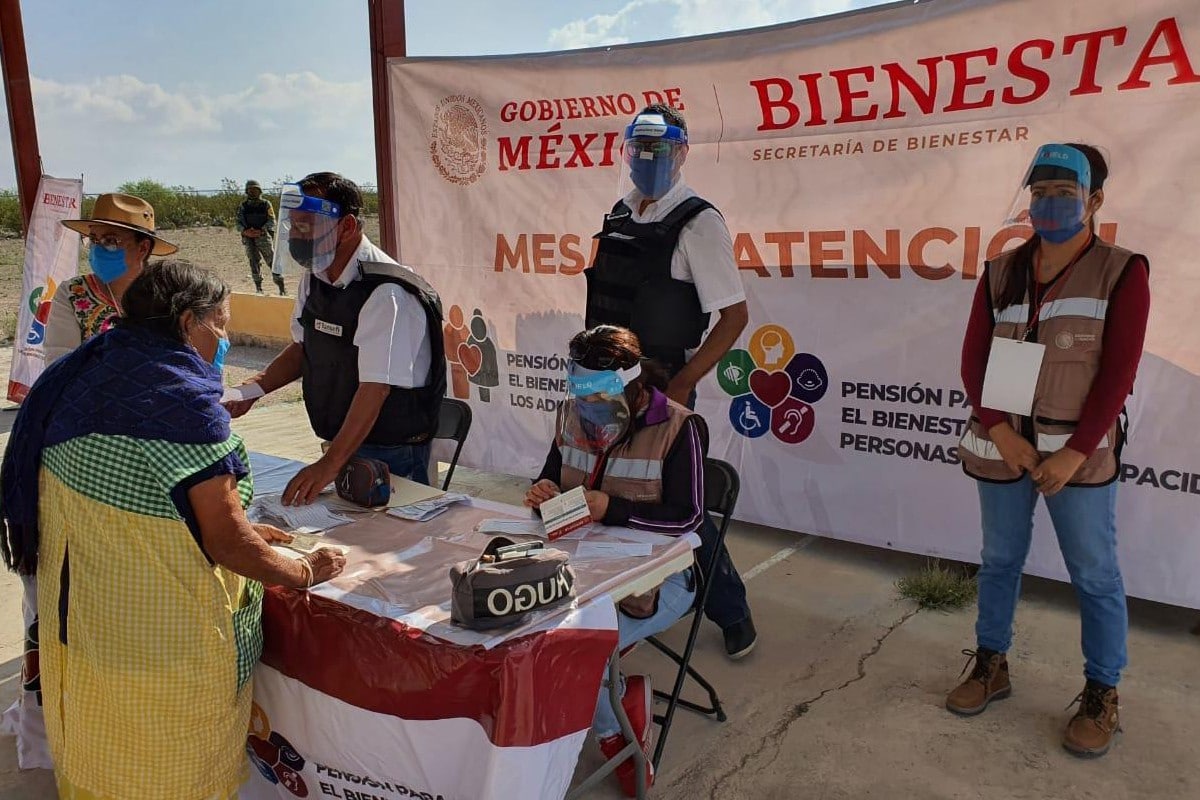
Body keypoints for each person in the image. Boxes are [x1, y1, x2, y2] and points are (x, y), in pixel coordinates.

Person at [0, 260, 347, 799]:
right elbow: (225, 542)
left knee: (98, 761)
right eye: (223, 324)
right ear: (189, 323)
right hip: (162, 650)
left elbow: (147, 503)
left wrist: (245, 527)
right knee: (170, 773)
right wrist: (303, 569)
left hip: (84, 629)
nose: (226, 339)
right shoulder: (186, 409)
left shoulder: (78, 377)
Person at [953, 143, 1150, 758]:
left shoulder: (1122, 271)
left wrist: (1075, 452)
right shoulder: (1001, 271)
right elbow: (974, 361)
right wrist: (1003, 434)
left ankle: (1101, 692)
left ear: (1094, 201)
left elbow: (1119, 373)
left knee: (1095, 576)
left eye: (1064, 195)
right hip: (1003, 450)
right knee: (999, 560)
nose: (1049, 205)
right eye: (1039, 194)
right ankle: (991, 663)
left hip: (1078, 460)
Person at [584, 103, 756, 659]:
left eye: (661, 149)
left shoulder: (699, 223)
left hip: (660, 391)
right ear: (627, 150)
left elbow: (733, 317)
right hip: (606, 386)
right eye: (640, 148)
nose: (648, 159)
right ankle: (620, 600)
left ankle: (730, 609)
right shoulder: (619, 214)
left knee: (678, 505)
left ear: (681, 153)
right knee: (607, 492)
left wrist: (680, 386)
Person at [525, 325, 702, 797]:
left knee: (576, 653)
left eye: (601, 401)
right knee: (525, 638)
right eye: (583, 400)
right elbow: (550, 479)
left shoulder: (677, 426)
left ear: (633, 383)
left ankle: (618, 740)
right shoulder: (570, 415)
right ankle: (618, 692)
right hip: (580, 572)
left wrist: (613, 508)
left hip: (658, 586)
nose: (590, 414)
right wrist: (544, 493)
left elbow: (688, 517)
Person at [225, 172, 446, 494]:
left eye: (307, 226)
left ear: (347, 227)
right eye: (293, 226)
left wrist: (330, 465)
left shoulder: (386, 293)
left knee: (394, 540)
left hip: (389, 450)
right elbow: (304, 347)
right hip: (344, 439)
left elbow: (375, 388)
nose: (297, 236)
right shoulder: (316, 274)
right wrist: (253, 390)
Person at [44, 192, 178, 365]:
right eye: (93, 240)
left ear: (143, 248)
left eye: (110, 241)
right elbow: (60, 365)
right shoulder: (73, 294)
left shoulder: (170, 296)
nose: (97, 249)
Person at [237, 179, 286, 295]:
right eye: (250, 190)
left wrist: (261, 231)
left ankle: (282, 288)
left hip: (263, 237)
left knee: (272, 262)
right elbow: (238, 222)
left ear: (259, 191)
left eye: (255, 190)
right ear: (246, 191)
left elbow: (272, 220)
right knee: (253, 262)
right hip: (249, 238)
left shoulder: (266, 204)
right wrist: (245, 231)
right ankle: (259, 288)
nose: (252, 192)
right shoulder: (243, 206)